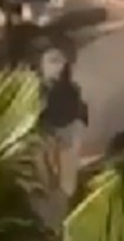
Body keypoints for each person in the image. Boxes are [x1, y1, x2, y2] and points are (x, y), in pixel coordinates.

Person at [38, 47, 88, 198]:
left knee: (65, 180)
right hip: (50, 134)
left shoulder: (72, 89)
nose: (57, 67)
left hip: (65, 134)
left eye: (59, 62)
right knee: (50, 175)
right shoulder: (39, 89)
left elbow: (80, 113)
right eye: (53, 62)